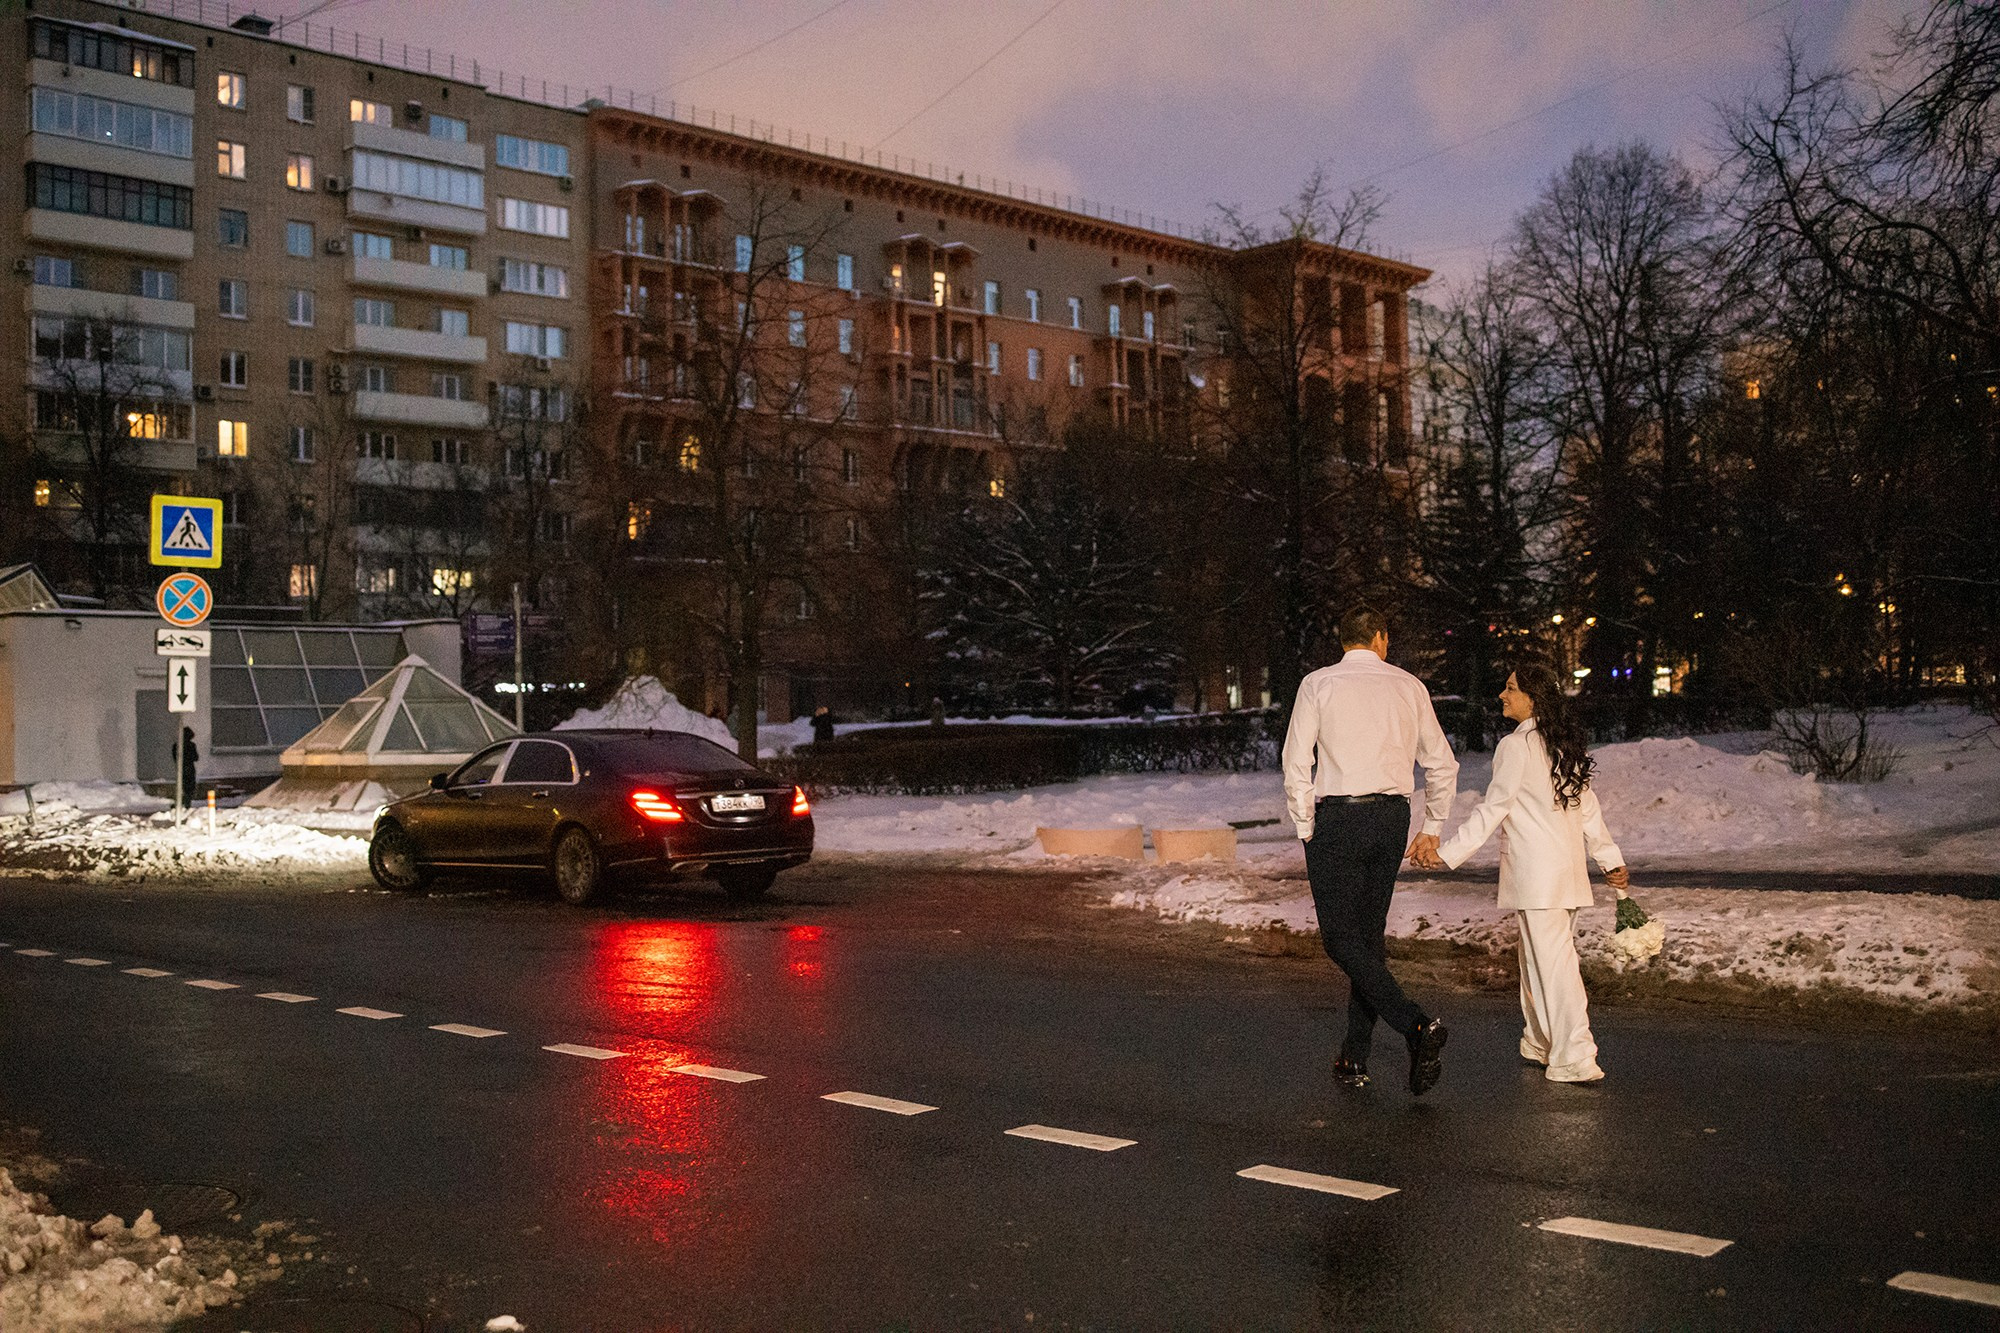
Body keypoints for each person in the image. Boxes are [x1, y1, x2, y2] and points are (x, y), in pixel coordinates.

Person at [1420, 658, 1628, 1084]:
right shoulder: (1562, 744)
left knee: (1554, 966)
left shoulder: (1515, 747)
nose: (1502, 694)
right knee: (1538, 960)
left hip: (1538, 876)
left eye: (1511, 688)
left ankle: (1576, 1055)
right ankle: (1540, 1041)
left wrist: (1448, 852)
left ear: (1533, 699)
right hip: (1565, 874)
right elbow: (1587, 809)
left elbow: (1494, 807)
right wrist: (1609, 858)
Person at [1282, 607, 1458, 1096]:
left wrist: (1304, 824)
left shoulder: (1318, 684)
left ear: (1344, 641)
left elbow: (1296, 759)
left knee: (1341, 940)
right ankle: (1354, 1056)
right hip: (1391, 817)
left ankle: (1416, 1025)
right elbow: (1443, 764)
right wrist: (1434, 824)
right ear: (1380, 638)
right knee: (1366, 937)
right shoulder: (1409, 686)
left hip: (1339, 816)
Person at [173, 726, 199, 810]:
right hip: (190, 768)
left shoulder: (176, 745)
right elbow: (196, 758)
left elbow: (175, 758)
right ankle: (187, 804)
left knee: (182, 786)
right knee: (190, 787)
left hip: (181, 769)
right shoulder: (191, 745)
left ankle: (180, 803)